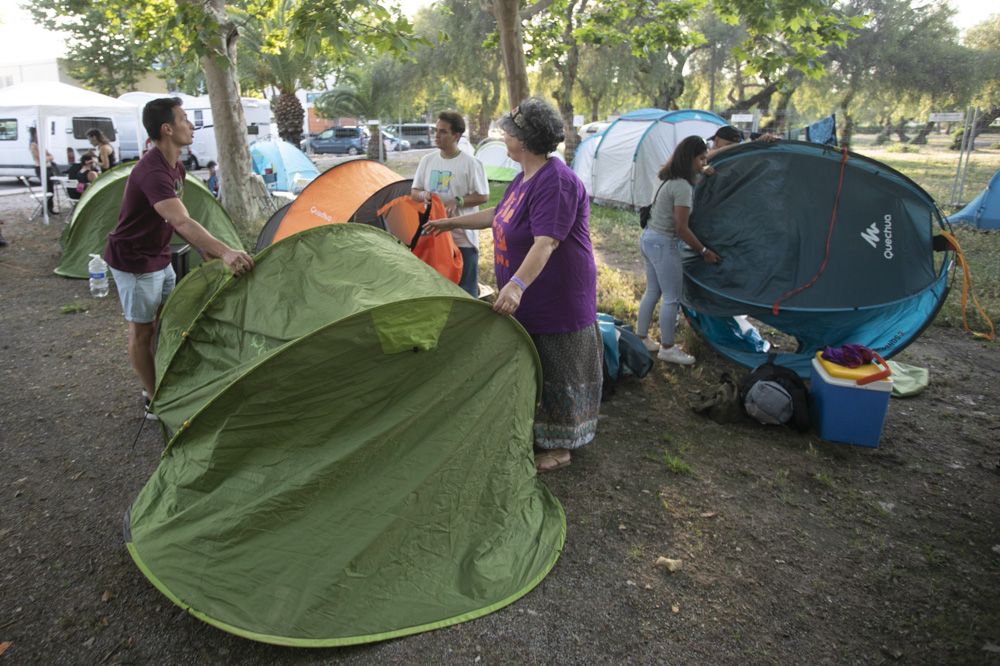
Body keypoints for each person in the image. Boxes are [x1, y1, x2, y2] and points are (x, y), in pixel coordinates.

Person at [425, 97, 601, 473]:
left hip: (557, 298)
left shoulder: (557, 182)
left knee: (557, 369)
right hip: (528, 296)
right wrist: (450, 224)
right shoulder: (526, 177)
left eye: (510, 131)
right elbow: (499, 214)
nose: (504, 135)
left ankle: (562, 447)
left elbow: (547, 241)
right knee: (533, 365)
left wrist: (518, 285)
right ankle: (536, 430)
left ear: (525, 139)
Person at [103, 97, 255, 419]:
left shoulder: (176, 166)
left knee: (166, 320)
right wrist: (225, 251)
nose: (191, 125)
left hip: (159, 255)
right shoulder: (151, 172)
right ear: (167, 129)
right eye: (185, 119)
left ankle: (166, 378)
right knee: (141, 331)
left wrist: (204, 249)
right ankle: (152, 397)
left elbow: (174, 220)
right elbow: (181, 220)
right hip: (134, 261)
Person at [636, 135, 721, 365]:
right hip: (663, 243)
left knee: (653, 291)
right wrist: (704, 251)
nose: (704, 163)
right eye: (701, 159)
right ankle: (668, 348)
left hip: (648, 239)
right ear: (690, 158)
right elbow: (682, 229)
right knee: (672, 298)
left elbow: (697, 167)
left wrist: (702, 170)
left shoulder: (668, 176)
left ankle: (641, 337)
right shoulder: (683, 187)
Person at [411, 111, 490, 297]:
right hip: (433, 235)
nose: (437, 136)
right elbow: (414, 192)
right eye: (436, 131)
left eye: (443, 132)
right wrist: (424, 195)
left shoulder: (471, 163)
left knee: (465, 289)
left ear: (456, 135)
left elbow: (483, 196)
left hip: (462, 236)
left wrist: (459, 201)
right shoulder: (427, 161)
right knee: (436, 287)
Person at [28, 127, 59, 215]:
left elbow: (50, 156)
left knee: (51, 188)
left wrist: (47, 157)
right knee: (47, 189)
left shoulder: (40, 145)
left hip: (48, 167)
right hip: (40, 168)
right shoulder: (33, 145)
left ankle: (50, 207)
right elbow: (40, 158)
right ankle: (44, 209)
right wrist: (47, 157)